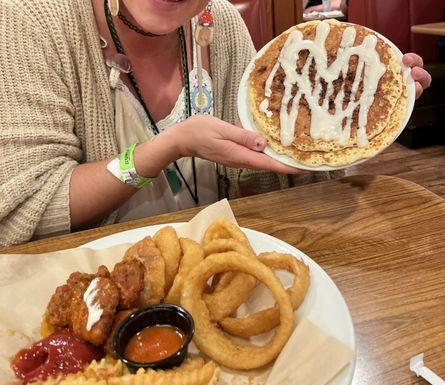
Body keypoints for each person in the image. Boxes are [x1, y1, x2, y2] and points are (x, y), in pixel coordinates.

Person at [0, 0, 431, 246]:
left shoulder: (220, 23)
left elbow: (268, 176)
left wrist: (346, 114)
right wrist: (165, 148)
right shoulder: (32, 20)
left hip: (219, 261)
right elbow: (28, 205)